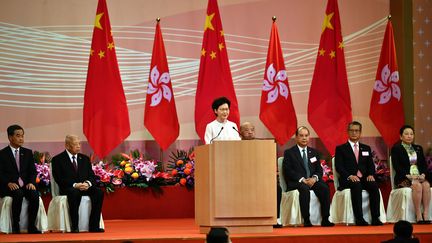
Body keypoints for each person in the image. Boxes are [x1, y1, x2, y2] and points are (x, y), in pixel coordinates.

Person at [282, 126, 334, 227]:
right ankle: (306, 219)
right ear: (296, 137)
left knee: (324, 188)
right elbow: (288, 171)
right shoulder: (289, 153)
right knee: (304, 189)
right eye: (301, 136)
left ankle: (325, 219)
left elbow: (319, 169)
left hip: (312, 180)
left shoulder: (314, 152)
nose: (304, 138)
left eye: (306, 136)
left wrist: (314, 178)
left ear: (309, 137)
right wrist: (302, 179)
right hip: (297, 182)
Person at [51, 135, 104, 233]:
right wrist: (75, 185)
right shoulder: (57, 160)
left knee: (98, 193)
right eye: (75, 144)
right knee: (74, 193)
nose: (79, 146)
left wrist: (88, 183)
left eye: (79, 144)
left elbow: (92, 176)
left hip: (84, 187)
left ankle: (94, 226)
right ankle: (75, 226)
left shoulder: (84, 159)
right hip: (69, 188)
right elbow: (59, 179)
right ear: (67, 146)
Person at [335, 121, 383, 226]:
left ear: (360, 132)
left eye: (356, 131)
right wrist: (349, 176)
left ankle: (375, 218)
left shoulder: (366, 148)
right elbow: (339, 166)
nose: (354, 133)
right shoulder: (341, 149)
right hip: (348, 179)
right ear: (348, 132)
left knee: (374, 186)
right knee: (356, 185)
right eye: (351, 131)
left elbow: (371, 165)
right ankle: (359, 218)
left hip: (364, 178)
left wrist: (371, 174)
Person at [239, 121, 282, 228]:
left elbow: (267, 162)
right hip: (244, 179)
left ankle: (275, 219)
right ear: (240, 133)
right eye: (246, 130)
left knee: (277, 189)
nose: (250, 132)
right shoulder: (237, 146)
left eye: (252, 130)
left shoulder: (262, 145)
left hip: (261, 178)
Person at [0, 125, 41, 234]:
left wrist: (32, 182)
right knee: (17, 193)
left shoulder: (27, 152)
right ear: (10, 137)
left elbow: (32, 171)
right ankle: (15, 225)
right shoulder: (2, 154)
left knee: (34, 194)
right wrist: (8, 183)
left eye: (22, 136)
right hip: (8, 186)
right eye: (18, 136)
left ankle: (31, 225)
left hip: (25, 185)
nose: (21, 138)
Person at [391, 125, 431, 224]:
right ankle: (418, 215)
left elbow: (423, 164)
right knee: (417, 186)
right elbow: (397, 166)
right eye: (406, 134)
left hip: (418, 177)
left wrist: (423, 174)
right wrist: (409, 176)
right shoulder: (396, 148)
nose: (409, 136)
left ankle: (425, 214)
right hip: (404, 178)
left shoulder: (418, 148)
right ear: (401, 136)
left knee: (426, 185)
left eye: (411, 134)